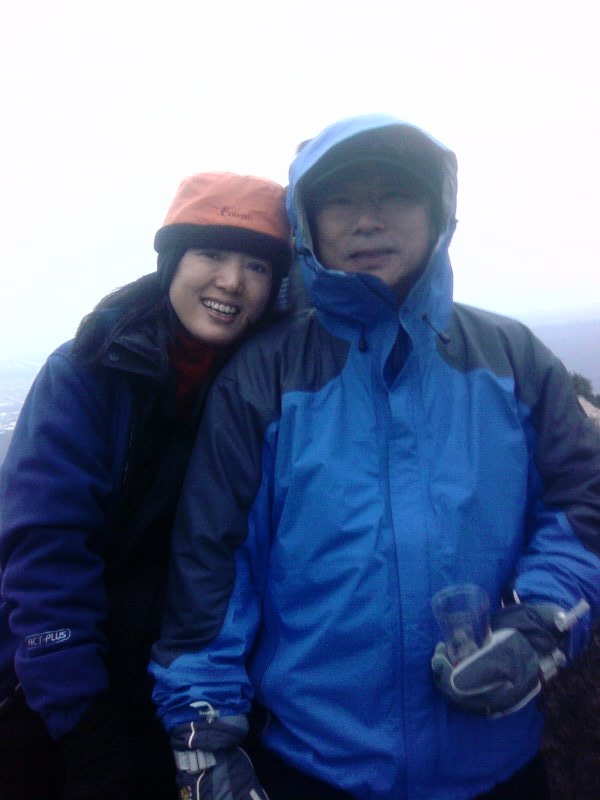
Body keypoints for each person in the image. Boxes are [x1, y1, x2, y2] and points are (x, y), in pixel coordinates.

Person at [149, 114, 600, 800]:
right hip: (313, 765)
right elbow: (212, 564)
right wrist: (203, 732)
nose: (367, 220)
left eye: (394, 194)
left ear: (437, 210)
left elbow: (583, 503)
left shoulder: (512, 358)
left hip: (499, 763)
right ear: (307, 223)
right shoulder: (263, 378)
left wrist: (541, 621)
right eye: (339, 200)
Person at [0, 171, 291, 800]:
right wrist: (83, 724)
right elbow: (45, 550)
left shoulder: (273, 388)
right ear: (171, 262)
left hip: (192, 696)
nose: (231, 281)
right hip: (61, 694)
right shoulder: (90, 369)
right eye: (209, 253)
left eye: (257, 266)